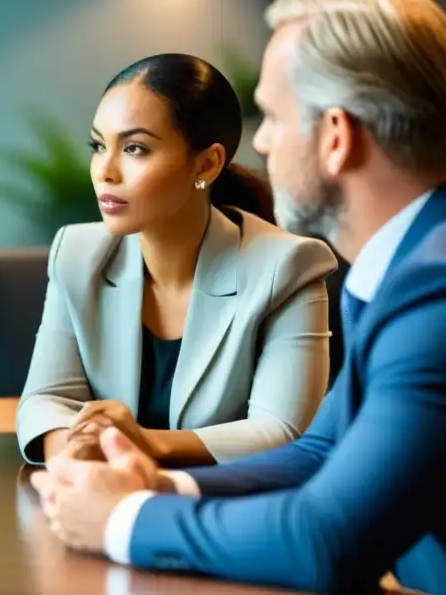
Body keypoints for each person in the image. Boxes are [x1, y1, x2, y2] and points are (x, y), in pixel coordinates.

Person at [31, 0, 446, 595]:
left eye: (275, 118)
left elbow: (325, 542)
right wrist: (158, 483)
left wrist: (124, 519)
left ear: (336, 137)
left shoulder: (432, 293)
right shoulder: (400, 267)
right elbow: (320, 451)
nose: (263, 143)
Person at [17, 53, 337, 468]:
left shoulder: (287, 266)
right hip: (101, 504)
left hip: (227, 513)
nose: (105, 171)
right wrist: (73, 453)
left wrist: (146, 444)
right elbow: (46, 400)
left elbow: (284, 431)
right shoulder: (77, 254)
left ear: (207, 164)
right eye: (99, 145)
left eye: (135, 148)